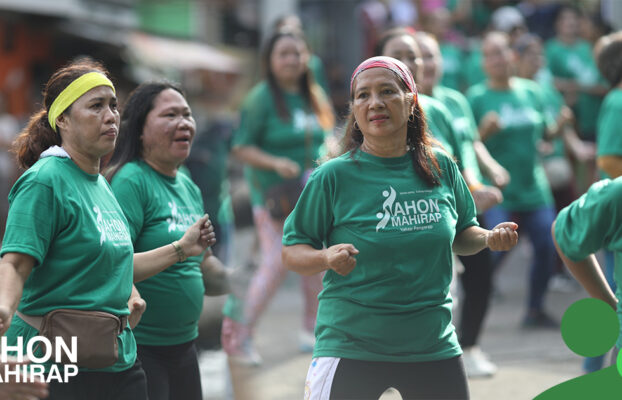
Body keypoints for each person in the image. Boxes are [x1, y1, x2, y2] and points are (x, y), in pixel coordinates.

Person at [282, 56, 518, 399]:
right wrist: (325, 257)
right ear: (354, 109)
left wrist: (488, 239)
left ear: (411, 102)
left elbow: (463, 233)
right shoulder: (332, 176)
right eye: (363, 95)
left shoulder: (441, 167)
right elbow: (291, 252)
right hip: (351, 344)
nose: (375, 102)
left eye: (387, 91)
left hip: (431, 344)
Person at [0, 60, 211, 399]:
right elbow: (14, 263)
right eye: (95, 106)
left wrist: (178, 252)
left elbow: (118, 266)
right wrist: (5, 307)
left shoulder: (102, 185)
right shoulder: (45, 180)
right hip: (56, 361)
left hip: (118, 359)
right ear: (63, 119)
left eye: (113, 105)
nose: (110, 115)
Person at [105, 82, 225, 400]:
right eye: (170, 114)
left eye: (187, 114)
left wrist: (240, 283)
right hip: (143, 349)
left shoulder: (187, 184)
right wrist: (180, 249)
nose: (184, 122)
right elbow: (113, 266)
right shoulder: (130, 181)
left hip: (186, 345)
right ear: (141, 130)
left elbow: (204, 261)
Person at [221, 29, 334, 365]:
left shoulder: (314, 94)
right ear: (269, 61)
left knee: (316, 266)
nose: (292, 60)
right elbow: (240, 147)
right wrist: (276, 163)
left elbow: (325, 137)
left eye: (297, 53)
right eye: (283, 53)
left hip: (310, 196)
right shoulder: (260, 99)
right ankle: (239, 337)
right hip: (272, 199)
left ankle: (311, 330)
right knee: (275, 265)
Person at [414, 30, 510, 378]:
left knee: (480, 278)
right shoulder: (408, 109)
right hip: (432, 208)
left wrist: (490, 168)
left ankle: (469, 347)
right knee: (438, 286)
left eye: (430, 55)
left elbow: (470, 145)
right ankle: (420, 360)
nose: (424, 63)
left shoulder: (455, 100)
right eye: (416, 56)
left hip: (471, 199)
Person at [467, 31, 559, 328]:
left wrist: (559, 129)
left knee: (547, 244)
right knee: (490, 250)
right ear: (482, 63)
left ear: (512, 56)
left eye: (501, 52)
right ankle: (472, 304)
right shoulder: (477, 97)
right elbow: (467, 145)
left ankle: (534, 310)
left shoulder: (531, 91)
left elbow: (545, 133)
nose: (496, 59)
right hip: (497, 191)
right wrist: (484, 132)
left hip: (534, 187)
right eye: (488, 54)